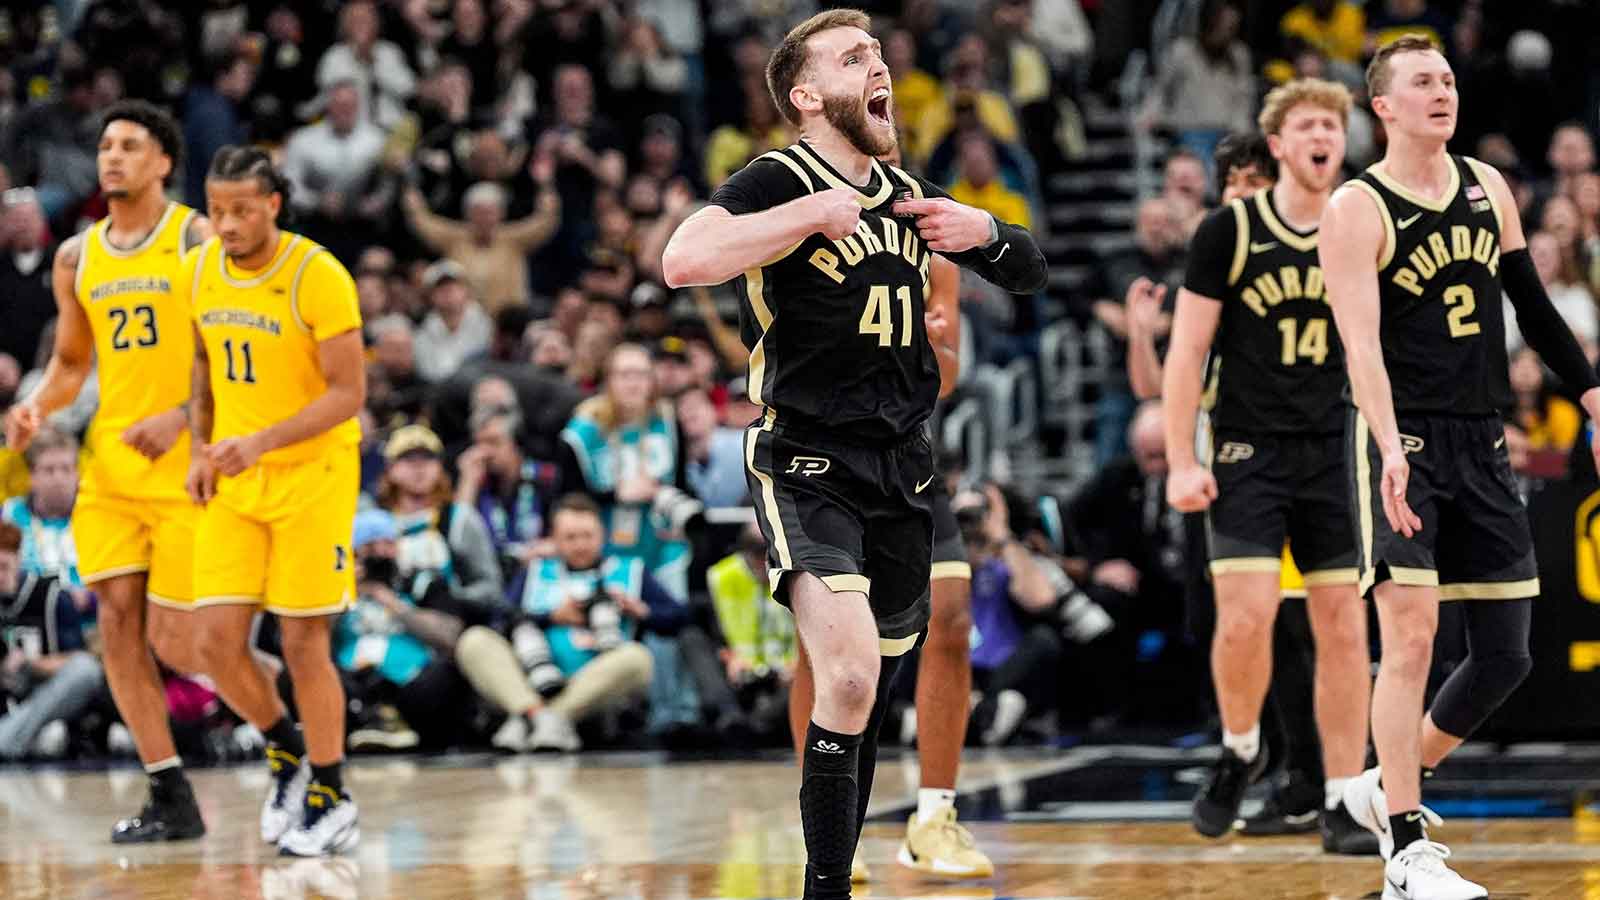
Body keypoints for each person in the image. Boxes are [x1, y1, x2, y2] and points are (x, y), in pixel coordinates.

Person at [660, 10, 1045, 899]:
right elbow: (683, 258)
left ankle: (861, 846)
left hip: (904, 466)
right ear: (806, 95)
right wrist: (806, 215)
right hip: (806, 458)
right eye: (852, 57)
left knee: (864, 692)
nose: (878, 66)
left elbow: (1028, 272)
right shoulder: (778, 176)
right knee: (845, 670)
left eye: (877, 52)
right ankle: (825, 884)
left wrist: (982, 233)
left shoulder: (906, 191)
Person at [1321, 36, 1600, 899]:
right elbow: (1359, 343)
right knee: (1409, 639)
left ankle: (1380, 784)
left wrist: (1592, 394)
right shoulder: (1357, 208)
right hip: (1398, 439)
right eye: (1421, 82)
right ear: (1384, 107)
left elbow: (1535, 309)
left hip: (1481, 437)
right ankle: (1406, 848)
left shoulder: (1488, 187)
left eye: (1446, 79)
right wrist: (1386, 443)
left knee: (1506, 654)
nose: (1441, 91)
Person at [1164, 79, 1374, 852]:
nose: (1324, 135)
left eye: (1334, 124)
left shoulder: (1362, 227)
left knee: (1343, 629)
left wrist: (1393, 444)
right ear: (1279, 145)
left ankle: (1346, 799)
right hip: (1249, 450)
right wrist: (1182, 460)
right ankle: (1240, 748)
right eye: (1308, 124)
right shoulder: (1230, 231)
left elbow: (1378, 349)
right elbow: (1187, 354)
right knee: (1247, 619)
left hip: (1333, 449)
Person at [3, 100, 210, 843]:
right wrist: (33, 406)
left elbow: (235, 358)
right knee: (118, 626)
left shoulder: (196, 237)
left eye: (130, 145)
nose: (112, 156)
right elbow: (69, 365)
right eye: (105, 144)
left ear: (163, 162)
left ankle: (288, 739)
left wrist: (184, 419)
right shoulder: (76, 256)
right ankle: (170, 793)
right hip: (113, 468)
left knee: (187, 644)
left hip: (191, 464)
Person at [184, 146, 367, 857]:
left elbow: (349, 394)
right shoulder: (199, 269)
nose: (224, 224)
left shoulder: (316, 274)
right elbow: (202, 363)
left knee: (301, 641)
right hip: (234, 472)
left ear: (272, 205)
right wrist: (203, 448)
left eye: (239, 210)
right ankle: (285, 750)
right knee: (214, 643)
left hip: (313, 473)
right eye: (215, 209)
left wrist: (257, 442)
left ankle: (331, 789)